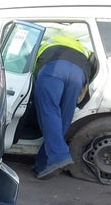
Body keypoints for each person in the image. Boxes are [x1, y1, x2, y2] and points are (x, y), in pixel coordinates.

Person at [32, 34, 92, 180]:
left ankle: (59, 156)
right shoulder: (80, 43)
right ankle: (43, 165)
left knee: (49, 112)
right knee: (63, 119)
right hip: (79, 73)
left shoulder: (45, 38)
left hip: (53, 68)